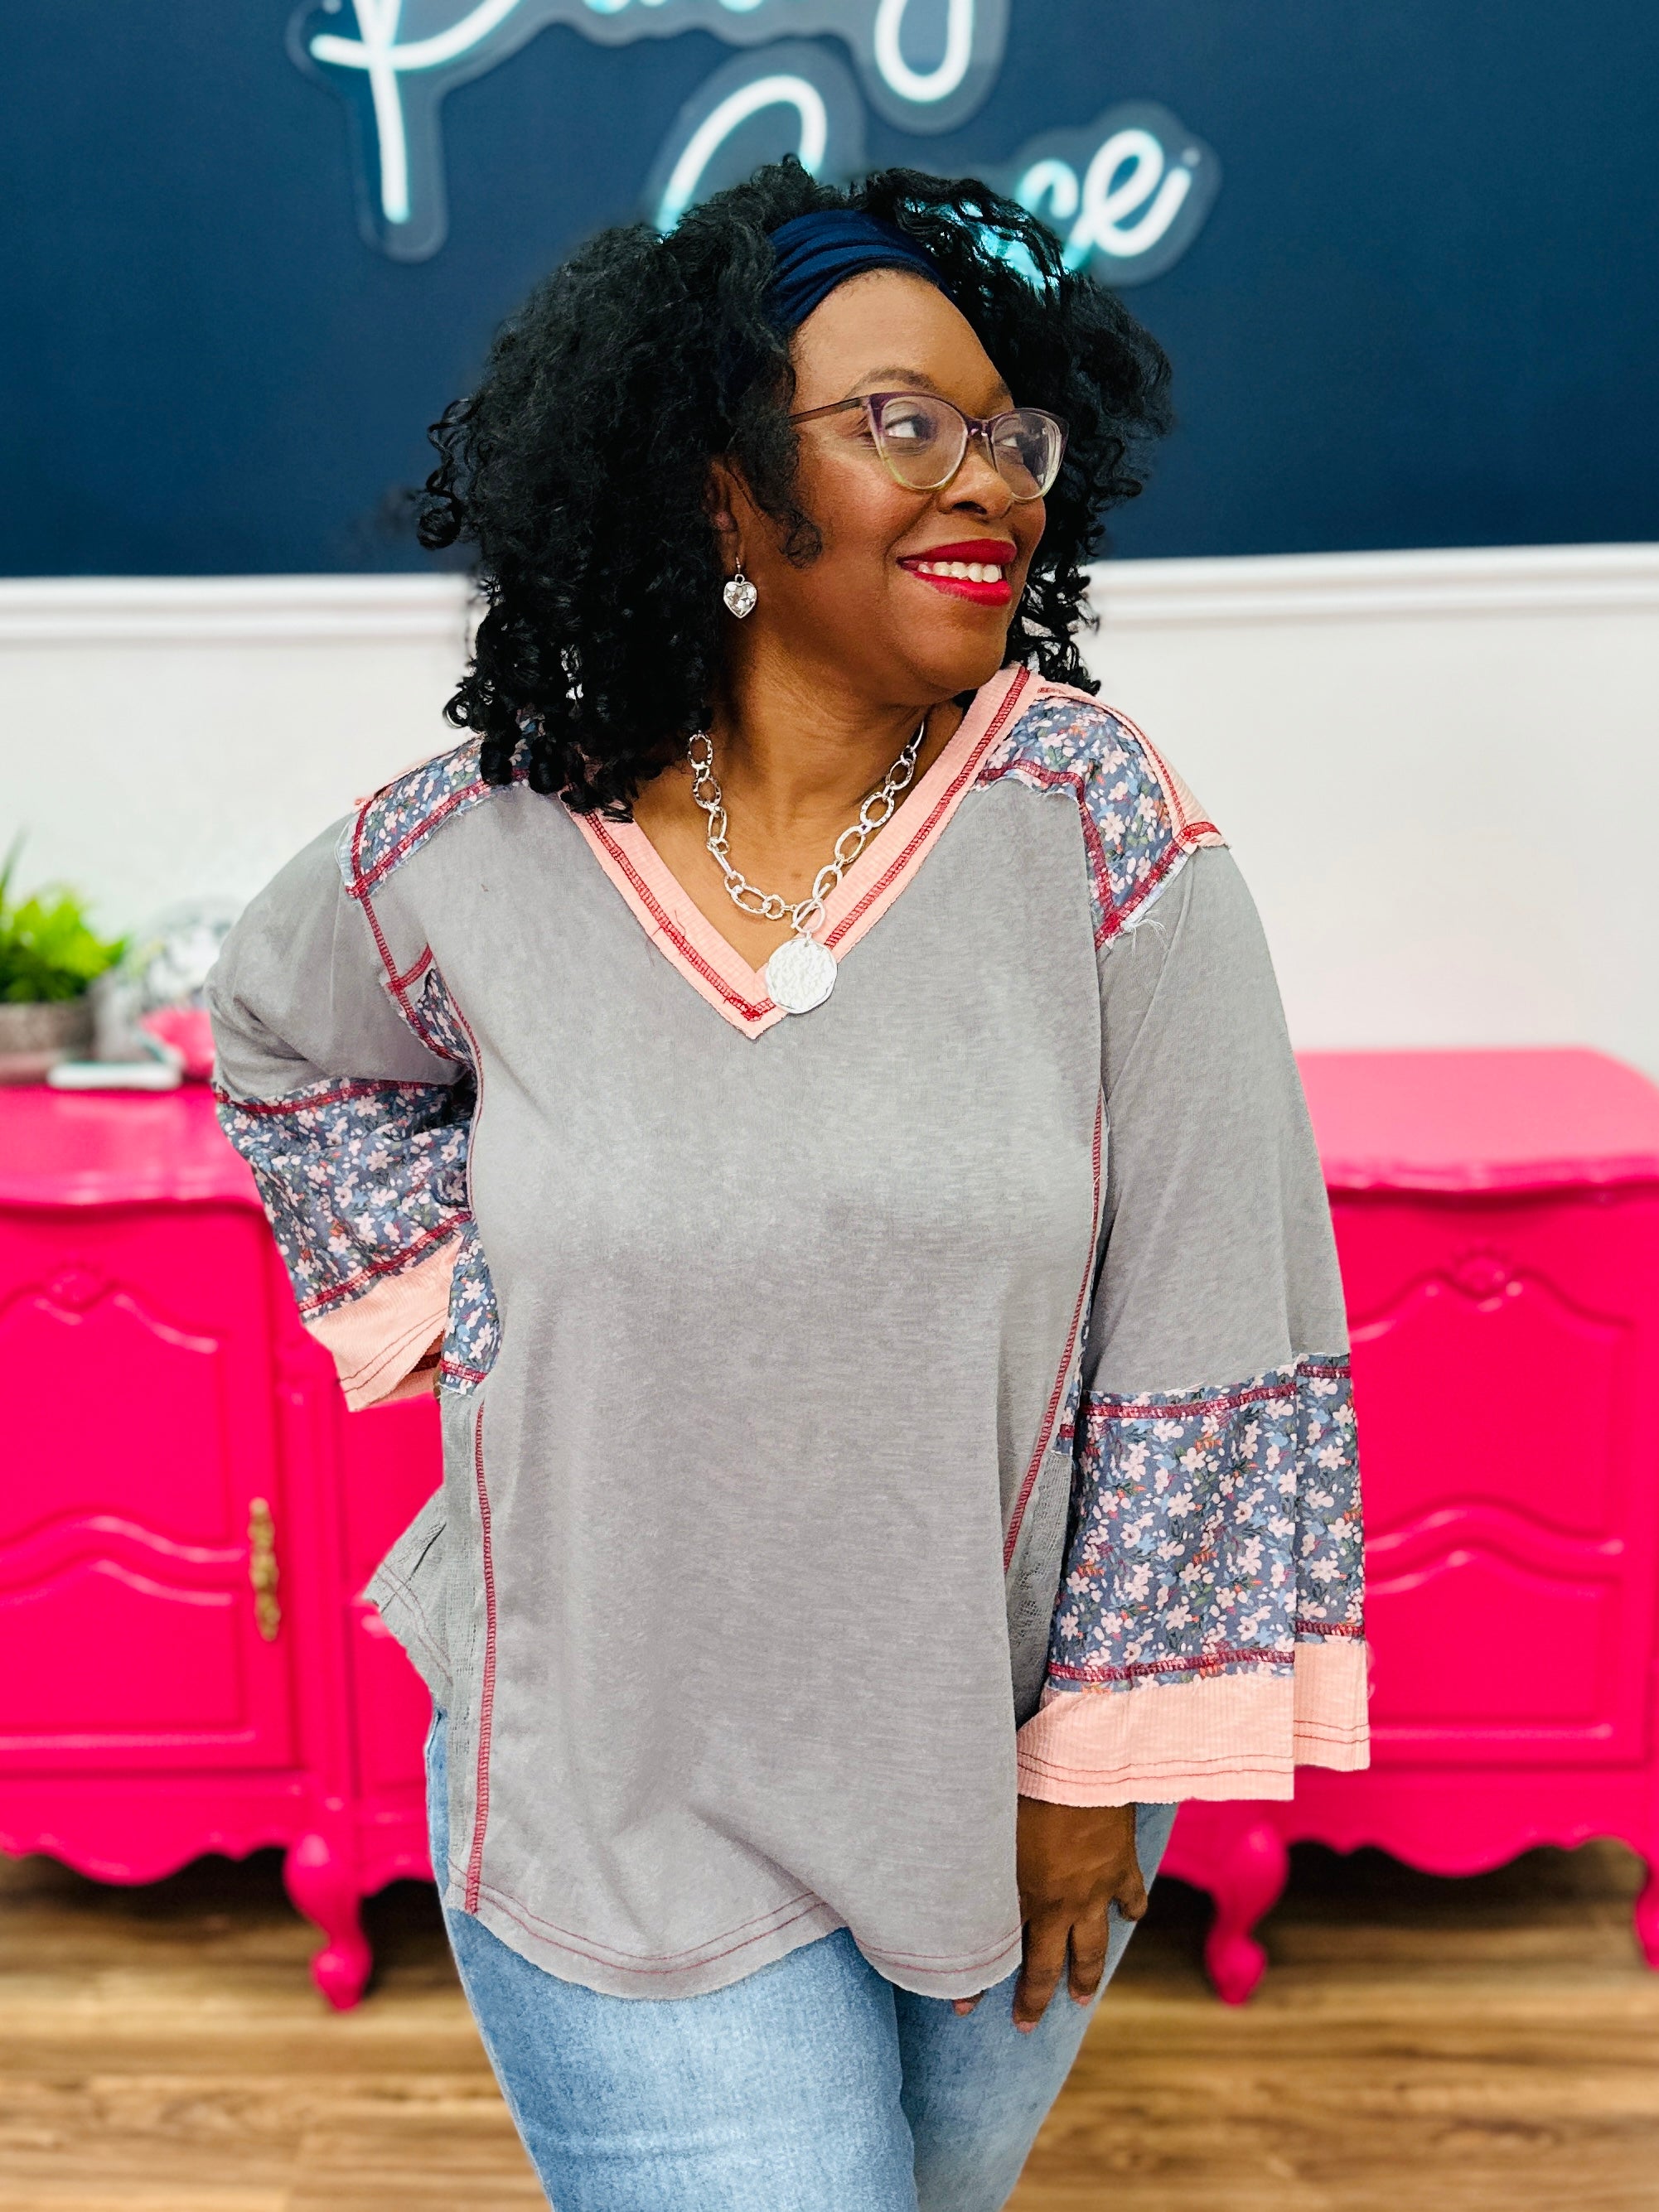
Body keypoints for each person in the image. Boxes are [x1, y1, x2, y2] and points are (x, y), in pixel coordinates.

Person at [208, 158, 1367, 2212]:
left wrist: (1092, 1769)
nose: (986, 482)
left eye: (1008, 435)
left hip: (992, 1767)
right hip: (603, 1763)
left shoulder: (1095, 828)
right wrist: (468, 1302)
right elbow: (281, 1030)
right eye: (901, 424)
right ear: (722, 491)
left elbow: (1207, 1314)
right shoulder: (485, 842)